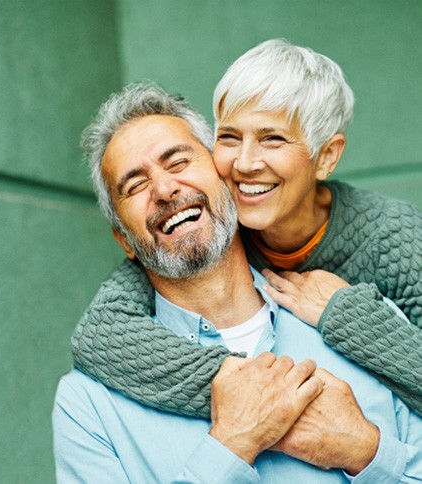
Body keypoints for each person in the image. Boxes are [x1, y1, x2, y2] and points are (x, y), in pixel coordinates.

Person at [53, 83, 422, 482]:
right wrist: (231, 445)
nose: (164, 188)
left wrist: (367, 451)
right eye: (136, 185)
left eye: (178, 162)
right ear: (124, 239)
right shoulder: (87, 405)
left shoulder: (367, 324)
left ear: (226, 179)